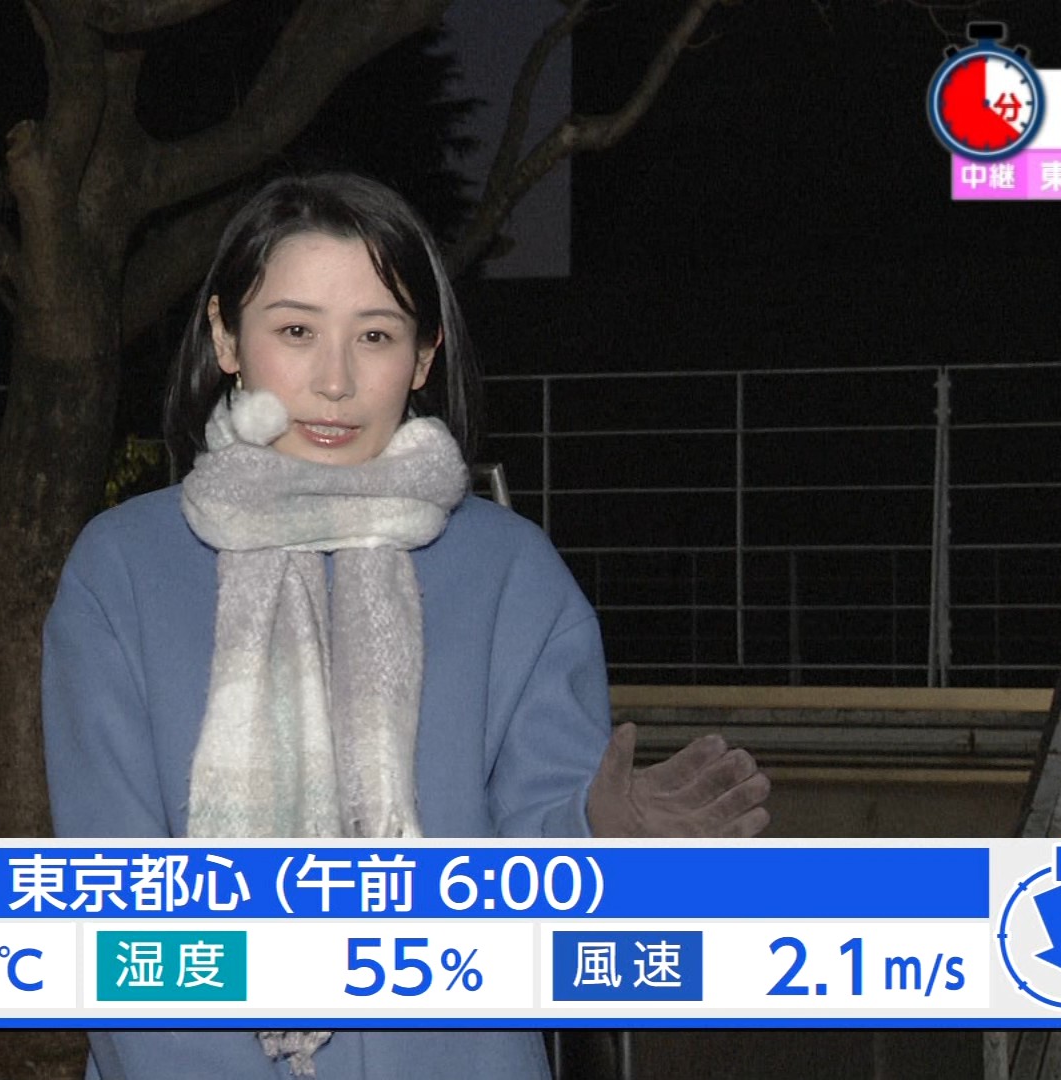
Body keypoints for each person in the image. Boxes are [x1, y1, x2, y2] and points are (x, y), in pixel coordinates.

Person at [41, 172, 770, 1080]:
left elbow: (538, 879)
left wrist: (599, 836)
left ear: (424, 356)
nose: (335, 381)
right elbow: (119, 917)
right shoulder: (122, 569)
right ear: (226, 337)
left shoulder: (510, 572)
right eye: (295, 331)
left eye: (376, 335)